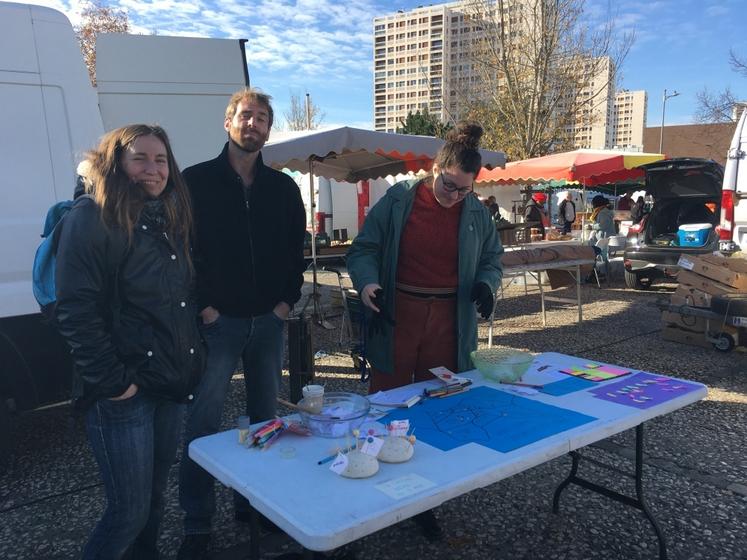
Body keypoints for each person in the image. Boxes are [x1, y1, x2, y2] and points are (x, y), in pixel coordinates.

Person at [346, 122, 503, 538]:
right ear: (436, 169)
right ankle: (370, 480)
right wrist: (367, 284)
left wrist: (487, 284)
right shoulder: (398, 202)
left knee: (438, 404)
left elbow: (492, 258)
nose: (454, 198)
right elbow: (364, 249)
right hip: (399, 314)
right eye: (449, 186)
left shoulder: (475, 212)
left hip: (450, 320)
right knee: (388, 401)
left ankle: (426, 496)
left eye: (464, 191)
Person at [55, 124, 203, 559]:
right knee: (128, 512)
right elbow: (76, 311)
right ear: (116, 163)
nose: (152, 169)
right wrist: (116, 383)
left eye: (161, 160)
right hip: (125, 394)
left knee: (154, 501)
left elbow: (177, 299)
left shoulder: (169, 217)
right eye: (140, 158)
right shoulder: (92, 216)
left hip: (168, 385)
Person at [177, 88, 306, 559]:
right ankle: (196, 519)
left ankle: (254, 506)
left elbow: (297, 250)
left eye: (263, 118)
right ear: (228, 122)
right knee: (204, 423)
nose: (254, 124)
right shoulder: (195, 182)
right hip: (218, 323)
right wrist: (205, 307)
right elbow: (183, 251)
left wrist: (284, 305)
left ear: (270, 129)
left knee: (267, 421)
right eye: (246, 116)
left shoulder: (284, 188)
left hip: (268, 323)